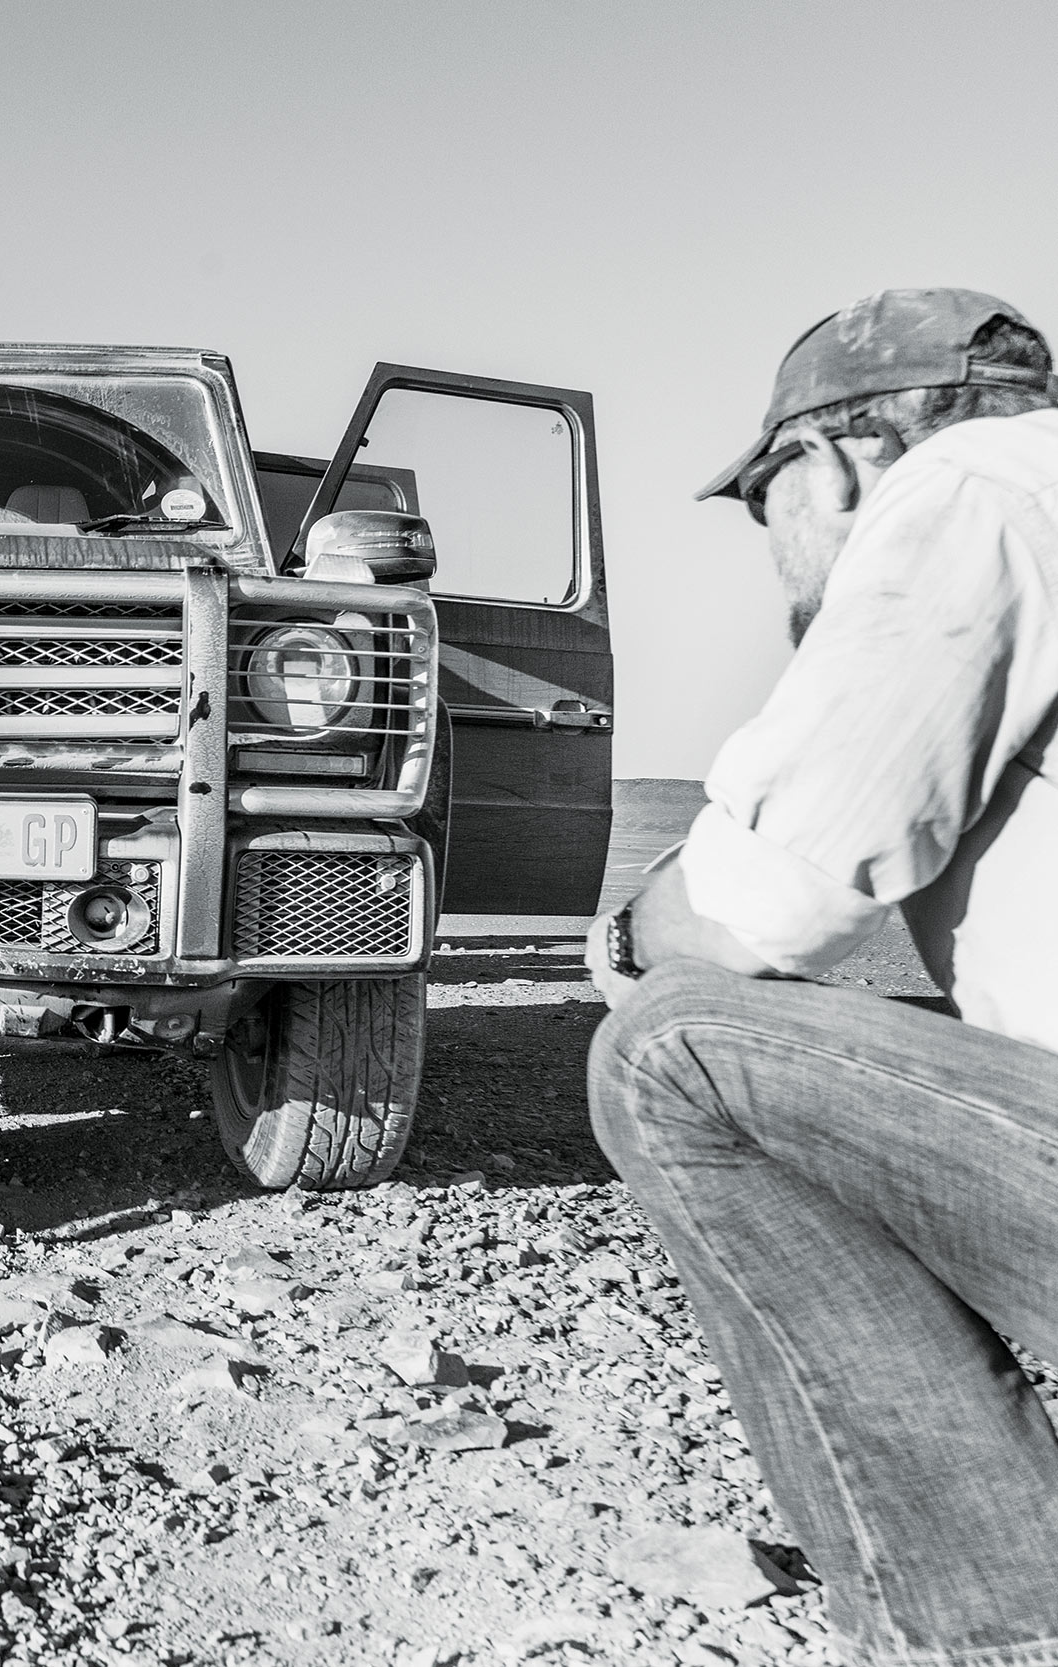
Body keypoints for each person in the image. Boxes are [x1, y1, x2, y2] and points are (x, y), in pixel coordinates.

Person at [585, 289, 1058, 1663]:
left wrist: (622, 943)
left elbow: (763, 896)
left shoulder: (981, 483)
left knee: (675, 1048)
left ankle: (991, 1620)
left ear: (838, 455)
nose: (771, 539)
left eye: (764, 497)